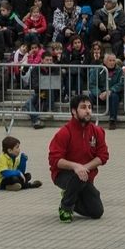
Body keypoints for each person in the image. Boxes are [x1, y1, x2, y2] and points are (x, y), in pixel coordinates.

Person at [47, 93, 108, 222]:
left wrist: (83, 167)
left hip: (86, 176)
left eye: (90, 107)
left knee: (97, 212)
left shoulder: (97, 131)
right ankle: (66, 208)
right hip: (63, 174)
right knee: (77, 177)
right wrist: (75, 166)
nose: (88, 111)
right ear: (74, 111)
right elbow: (54, 159)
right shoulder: (64, 132)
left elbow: (103, 156)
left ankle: (69, 194)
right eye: (83, 107)